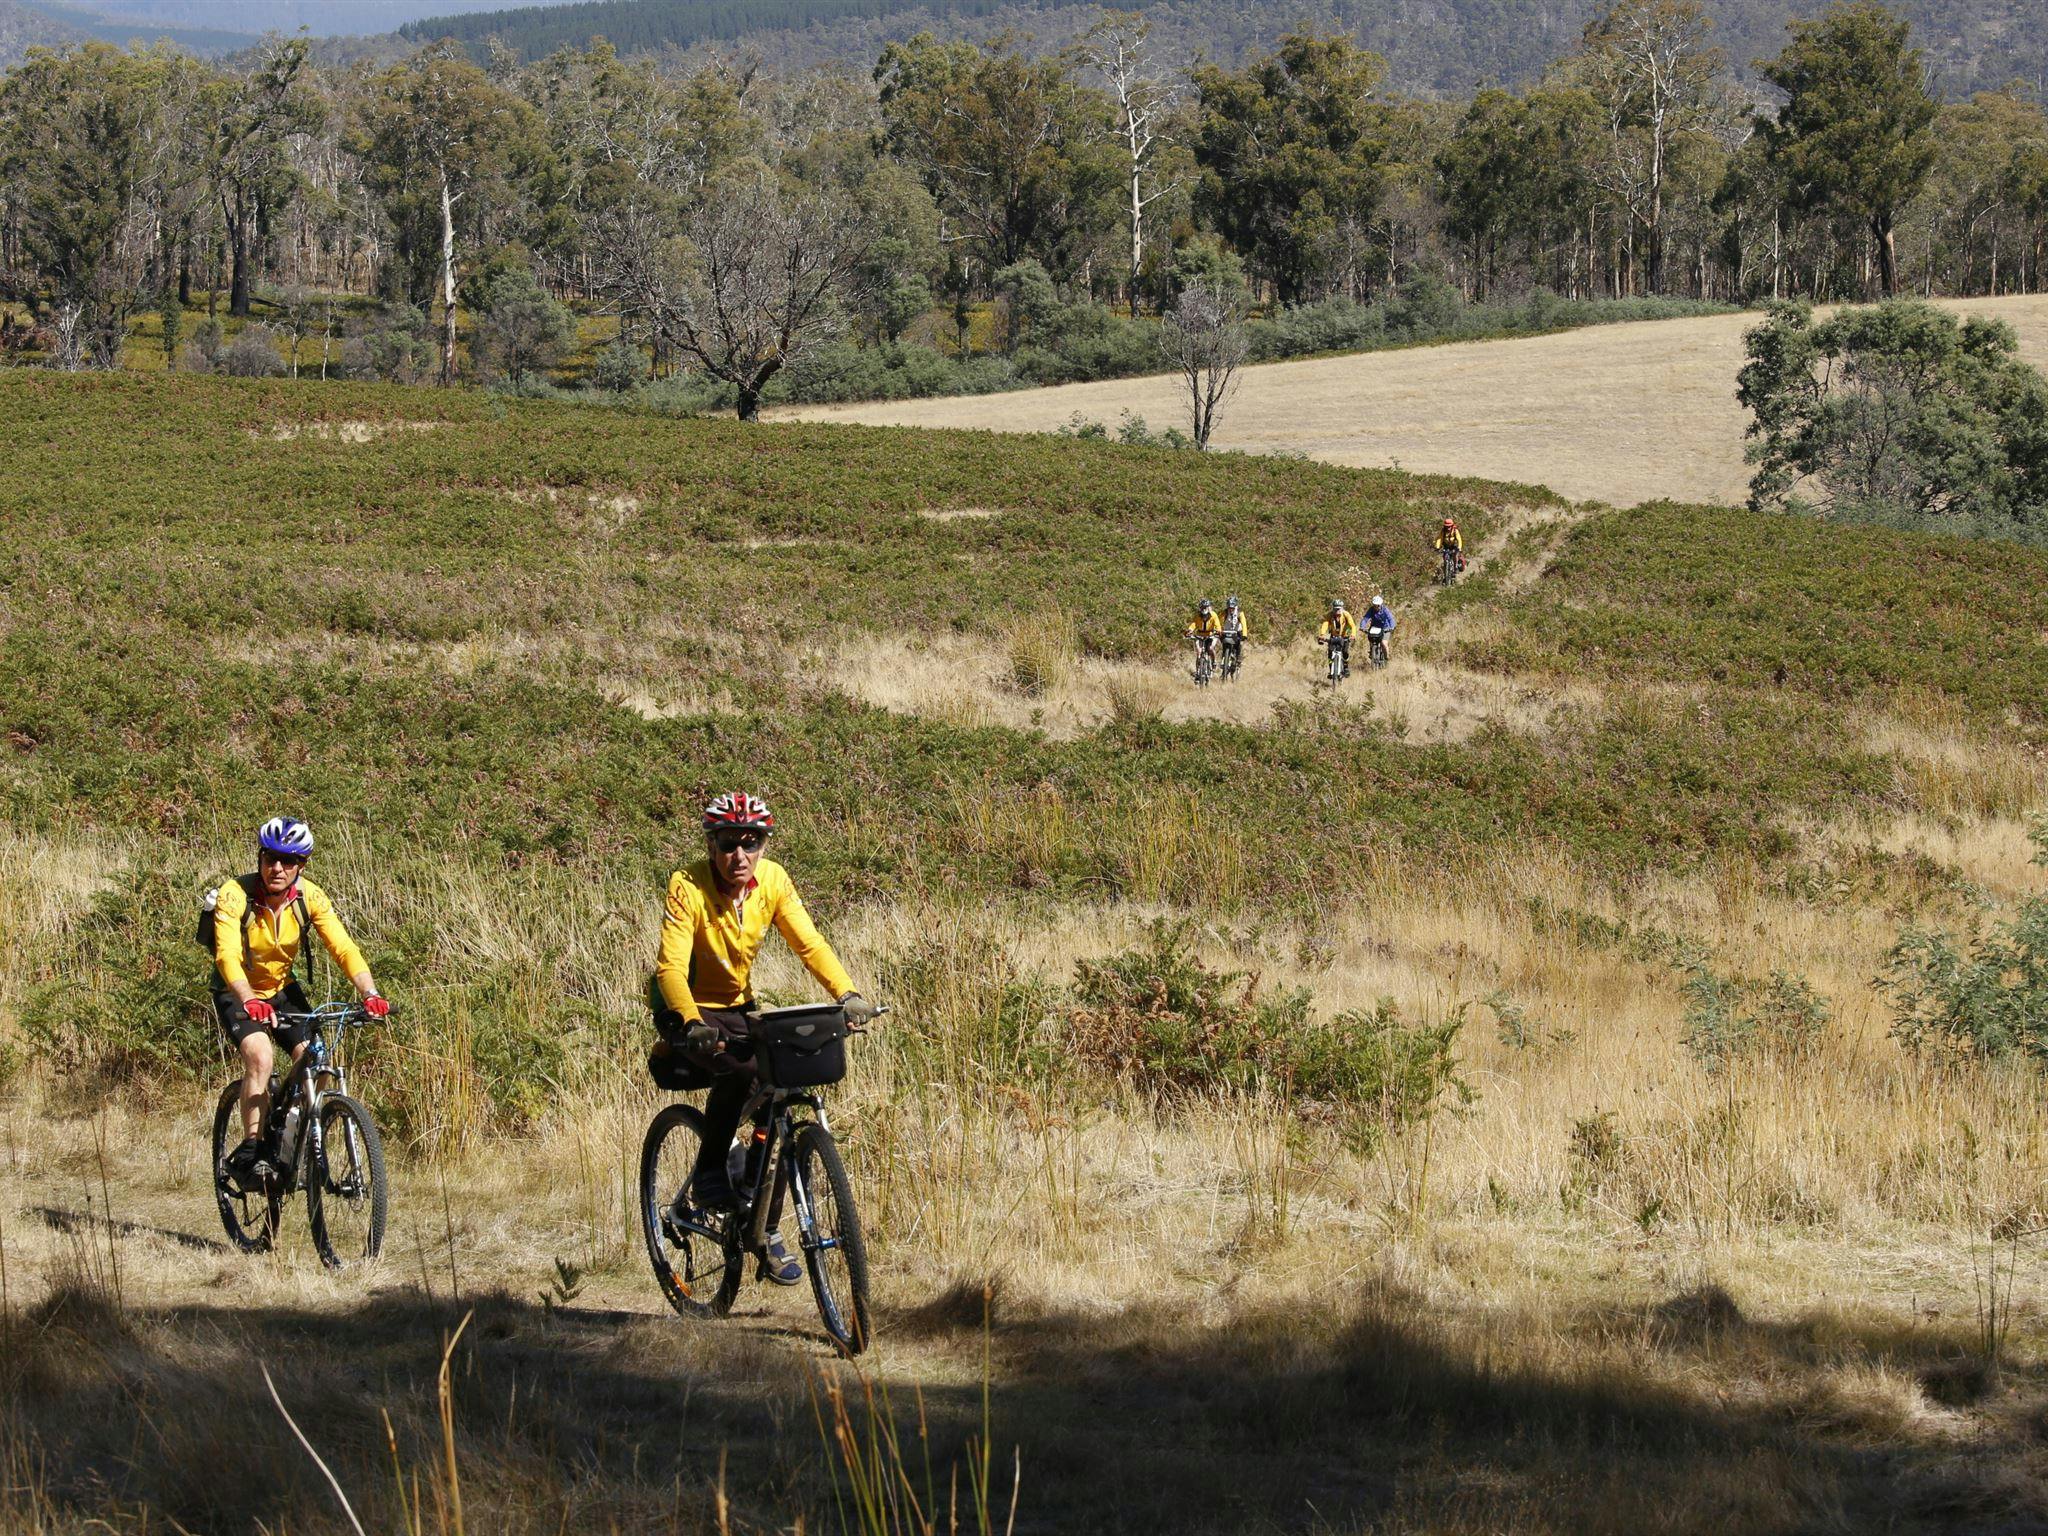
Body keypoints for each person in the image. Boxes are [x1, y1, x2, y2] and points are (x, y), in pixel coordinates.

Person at [652, 792, 876, 1283]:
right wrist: (691, 1023)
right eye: (729, 843)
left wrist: (847, 993)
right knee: (740, 1070)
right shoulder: (686, 885)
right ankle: (711, 1173)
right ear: (712, 845)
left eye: (751, 844)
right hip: (690, 1009)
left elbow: (809, 943)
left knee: (779, 1099)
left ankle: (763, 1226)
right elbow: (669, 967)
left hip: (740, 1006)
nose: (740, 855)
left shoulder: (772, 880)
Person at [211, 817, 389, 1181]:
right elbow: (226, 955)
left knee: (318, 1059)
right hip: (237, 989)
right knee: (259, 1054)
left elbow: (343, 948)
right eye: (270, 858)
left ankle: (289, 1138)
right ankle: (253, 1150)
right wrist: (248, 1000)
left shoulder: (310, 897)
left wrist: (369, 993)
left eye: (288, 861)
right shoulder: (234, 895)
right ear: (260, 858)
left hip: (281, 988)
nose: (277, 868)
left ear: (301, 866)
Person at [1319, 599, 1359, 678]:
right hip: (1333, 636)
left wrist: (1353, 635)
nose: (1337, 611)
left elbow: (1352, 625)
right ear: (1333, 608)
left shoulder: (1346, 614)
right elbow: (1325, 624)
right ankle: (1331, 671)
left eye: (1339, 609)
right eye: (1335, 609)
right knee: (1330, 653)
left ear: (1342, 608)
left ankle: (1346, 667)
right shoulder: (1329, 615)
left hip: (1344, 636)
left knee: (1345, 652)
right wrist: (1322, 634)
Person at [1185, 599, 1222, 674]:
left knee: (1210, 648)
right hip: (1200, 635)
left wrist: (1218, 631)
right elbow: (1194, 624)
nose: (1204, 609)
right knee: (1199, 651)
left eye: (1205, 607)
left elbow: (1217, 624)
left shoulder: (1213, 615)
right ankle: (1198, 671)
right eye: (1202, 607)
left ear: (1209, 607)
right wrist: (1190, 630)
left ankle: (1213, 661)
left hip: (1211, 634)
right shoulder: (1198, 616)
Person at [1220, 596, 1252, 670]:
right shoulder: (1224, 612)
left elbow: (1244, 623)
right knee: (1224, 645)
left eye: (1232, 608)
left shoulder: (1239, 613)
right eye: (1229, 607)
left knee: (1238, 645)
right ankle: (1224, 659)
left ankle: (1238, 658)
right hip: (1227, 631)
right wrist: (1218, 630)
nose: (1230, 609)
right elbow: (1219, 621)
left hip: (1237, 632)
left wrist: (1244, 634)